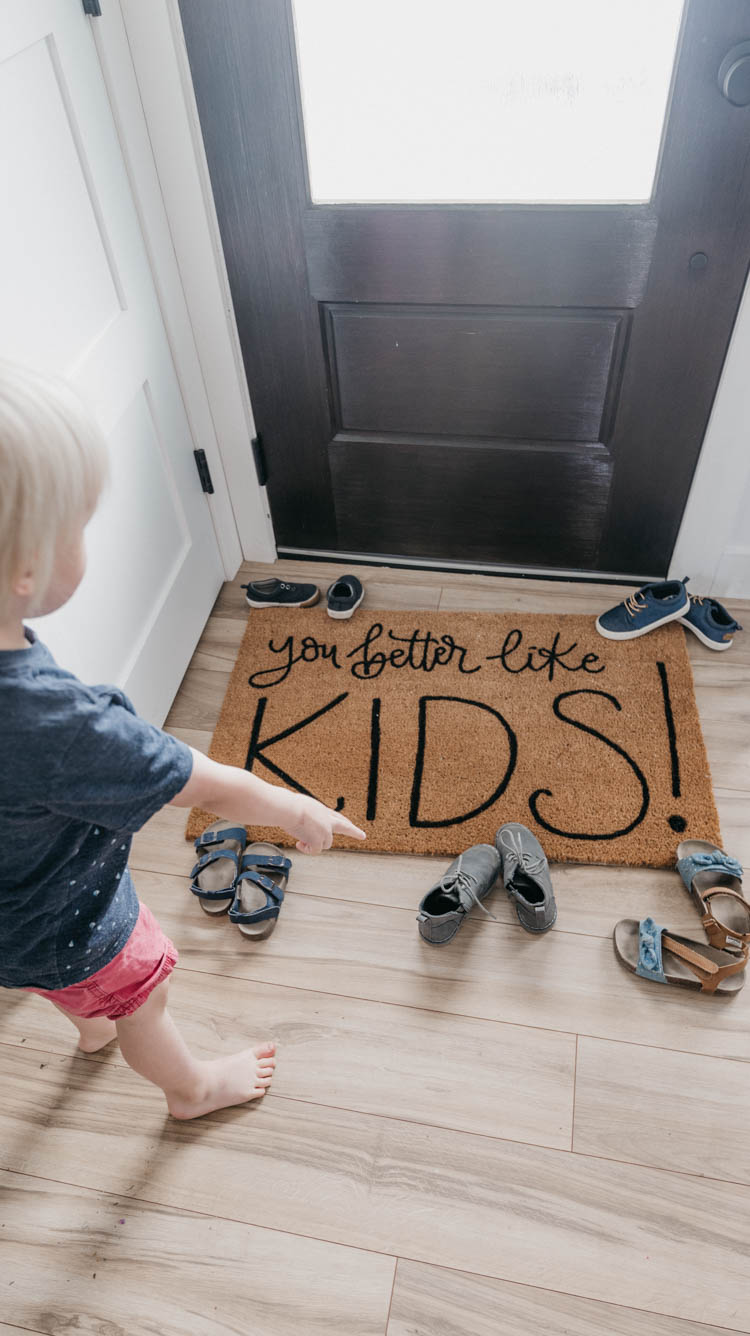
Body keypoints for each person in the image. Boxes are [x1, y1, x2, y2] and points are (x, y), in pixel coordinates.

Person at [0, 361, 365, 1119]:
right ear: (28, 568)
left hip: (12, 918)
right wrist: (290, 809)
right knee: (145, 995)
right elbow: (189, 778)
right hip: (72, 916)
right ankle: (190, 1089)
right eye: (77, 528)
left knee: (56, 978)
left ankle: (87, 1023)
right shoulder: (55, 724)